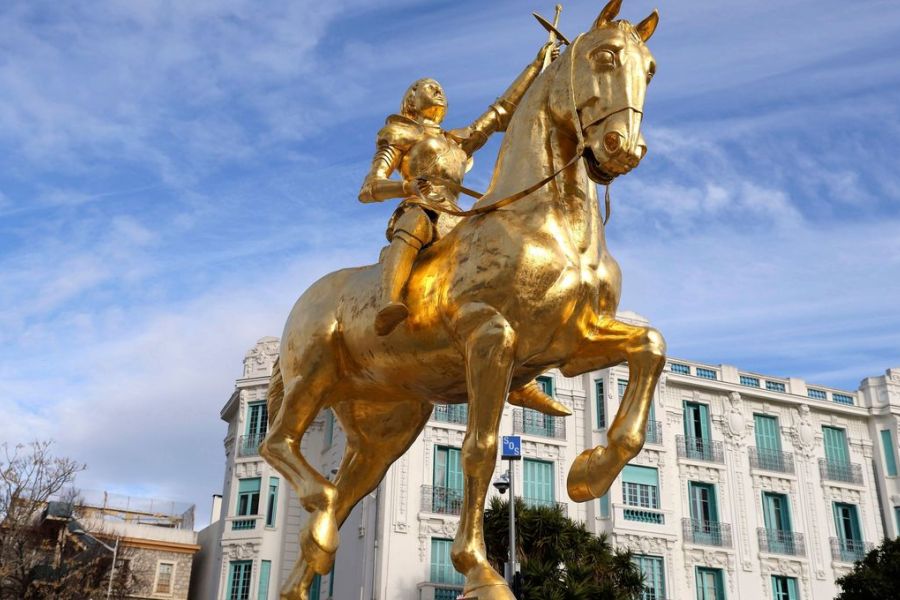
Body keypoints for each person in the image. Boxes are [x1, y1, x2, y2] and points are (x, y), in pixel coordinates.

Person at [359, 43, 558, 336]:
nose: (438, 89)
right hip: (422, 206)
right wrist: (407, 186)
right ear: (410, 100)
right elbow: (369, 187)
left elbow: (501, 111)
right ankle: (389, 300)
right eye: (428, 86)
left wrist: (536, 65)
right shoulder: (400, 133)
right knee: (416, 221)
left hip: (457, 214)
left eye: (440, 87)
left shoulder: (457, 140)